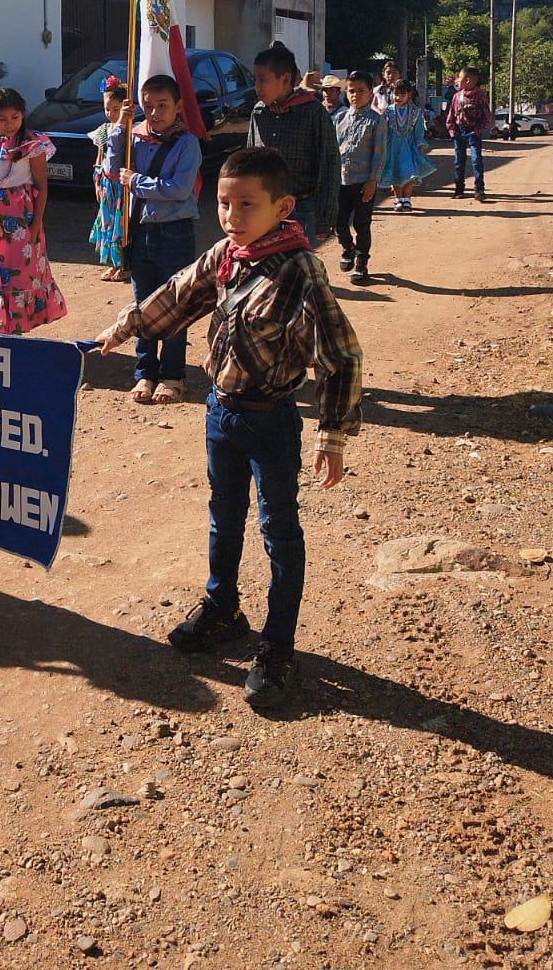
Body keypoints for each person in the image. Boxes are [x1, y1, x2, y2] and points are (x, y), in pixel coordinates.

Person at [95, 146, 361, 710]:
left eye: (246, 204)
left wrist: (331, 434)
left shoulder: (301, 270)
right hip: (220, 413)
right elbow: (178, 295)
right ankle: (223, 609)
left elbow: (339, 357)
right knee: (224, 515)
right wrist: (126, 326)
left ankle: (278, 645)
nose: (232, 215)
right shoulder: (224, 255)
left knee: (279, 531)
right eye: (222, 203)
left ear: (283, 206)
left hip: (272, 420)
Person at [104, 74, 202, 405]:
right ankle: (145, 372)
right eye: (148, 106)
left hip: (175, 232)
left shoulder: (187, 143)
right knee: (142, 305)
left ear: (178, 107)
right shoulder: (136, 137)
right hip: (140, 230)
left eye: (162, 106)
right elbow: (110, 170)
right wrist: (120, 126)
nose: (155, 113)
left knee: (175, 306)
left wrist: (138, 182)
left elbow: (179, 190)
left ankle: (172, 376)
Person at [0, 88, 67, 335]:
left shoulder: (31, 143)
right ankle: (1, 325)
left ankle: (16, 327)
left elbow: (42, 186)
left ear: (23, 115)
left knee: (17, 274)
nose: (9, 124)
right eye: (1, 119)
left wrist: (35, 225)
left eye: (15, 117)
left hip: (20, 218)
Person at [246, 42, 339, 250]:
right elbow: (249, 163)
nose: (257, 87)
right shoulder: (259, 113)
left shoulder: (313, 113)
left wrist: (325, 217)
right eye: (255, 80)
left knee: (298, 271)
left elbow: (329, 166)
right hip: (266, 210)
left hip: (302, 210)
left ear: (286, 79)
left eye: (263, 80)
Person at [335, 71, 388, 285]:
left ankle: (362, 263)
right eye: (351, 91)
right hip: (341, 181)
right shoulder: (339, 118)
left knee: (361, 223)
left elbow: (379, 153)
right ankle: (348, 248)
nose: (355, 95)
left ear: (370, 92)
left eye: (361, 91)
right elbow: (332, 150)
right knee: (338, 223)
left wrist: (372, 181)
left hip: (363, 181)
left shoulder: (377, 120)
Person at [90, 77, 128, 281]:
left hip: (122, 187)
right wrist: (97, 181)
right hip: (106, 185)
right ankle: (113, 264)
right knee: (108, 224)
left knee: (120, 226)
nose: (111, 114)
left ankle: (124, 264)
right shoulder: (103, 131)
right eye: (108, 109)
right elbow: (100, 156)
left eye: (116, 109)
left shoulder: (130, 130)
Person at [381, 78, 435, 212]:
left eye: (402, 94)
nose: (398, 97)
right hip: (392, 148)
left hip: (409, 148)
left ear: (409, 95)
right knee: (396, 173)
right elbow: (383, 131)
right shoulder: (387, 111)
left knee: (410, 175)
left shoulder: (416, 112)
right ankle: (398, 199)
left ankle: (408, 199)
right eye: (396, 94)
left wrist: (420, 144)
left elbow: (418, 132)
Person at [446, 64, 493, 201]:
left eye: (459, 78)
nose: (457, 80)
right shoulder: (456, 96)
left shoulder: (480, 95)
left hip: (473, 133)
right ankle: (459, 189)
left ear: (468, 80)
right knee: (458, 162)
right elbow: (451, 115)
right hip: (459, 133)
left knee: (476, 160)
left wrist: (478, 130)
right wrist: (452, 131)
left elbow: (486, 116)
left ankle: (479, 190)